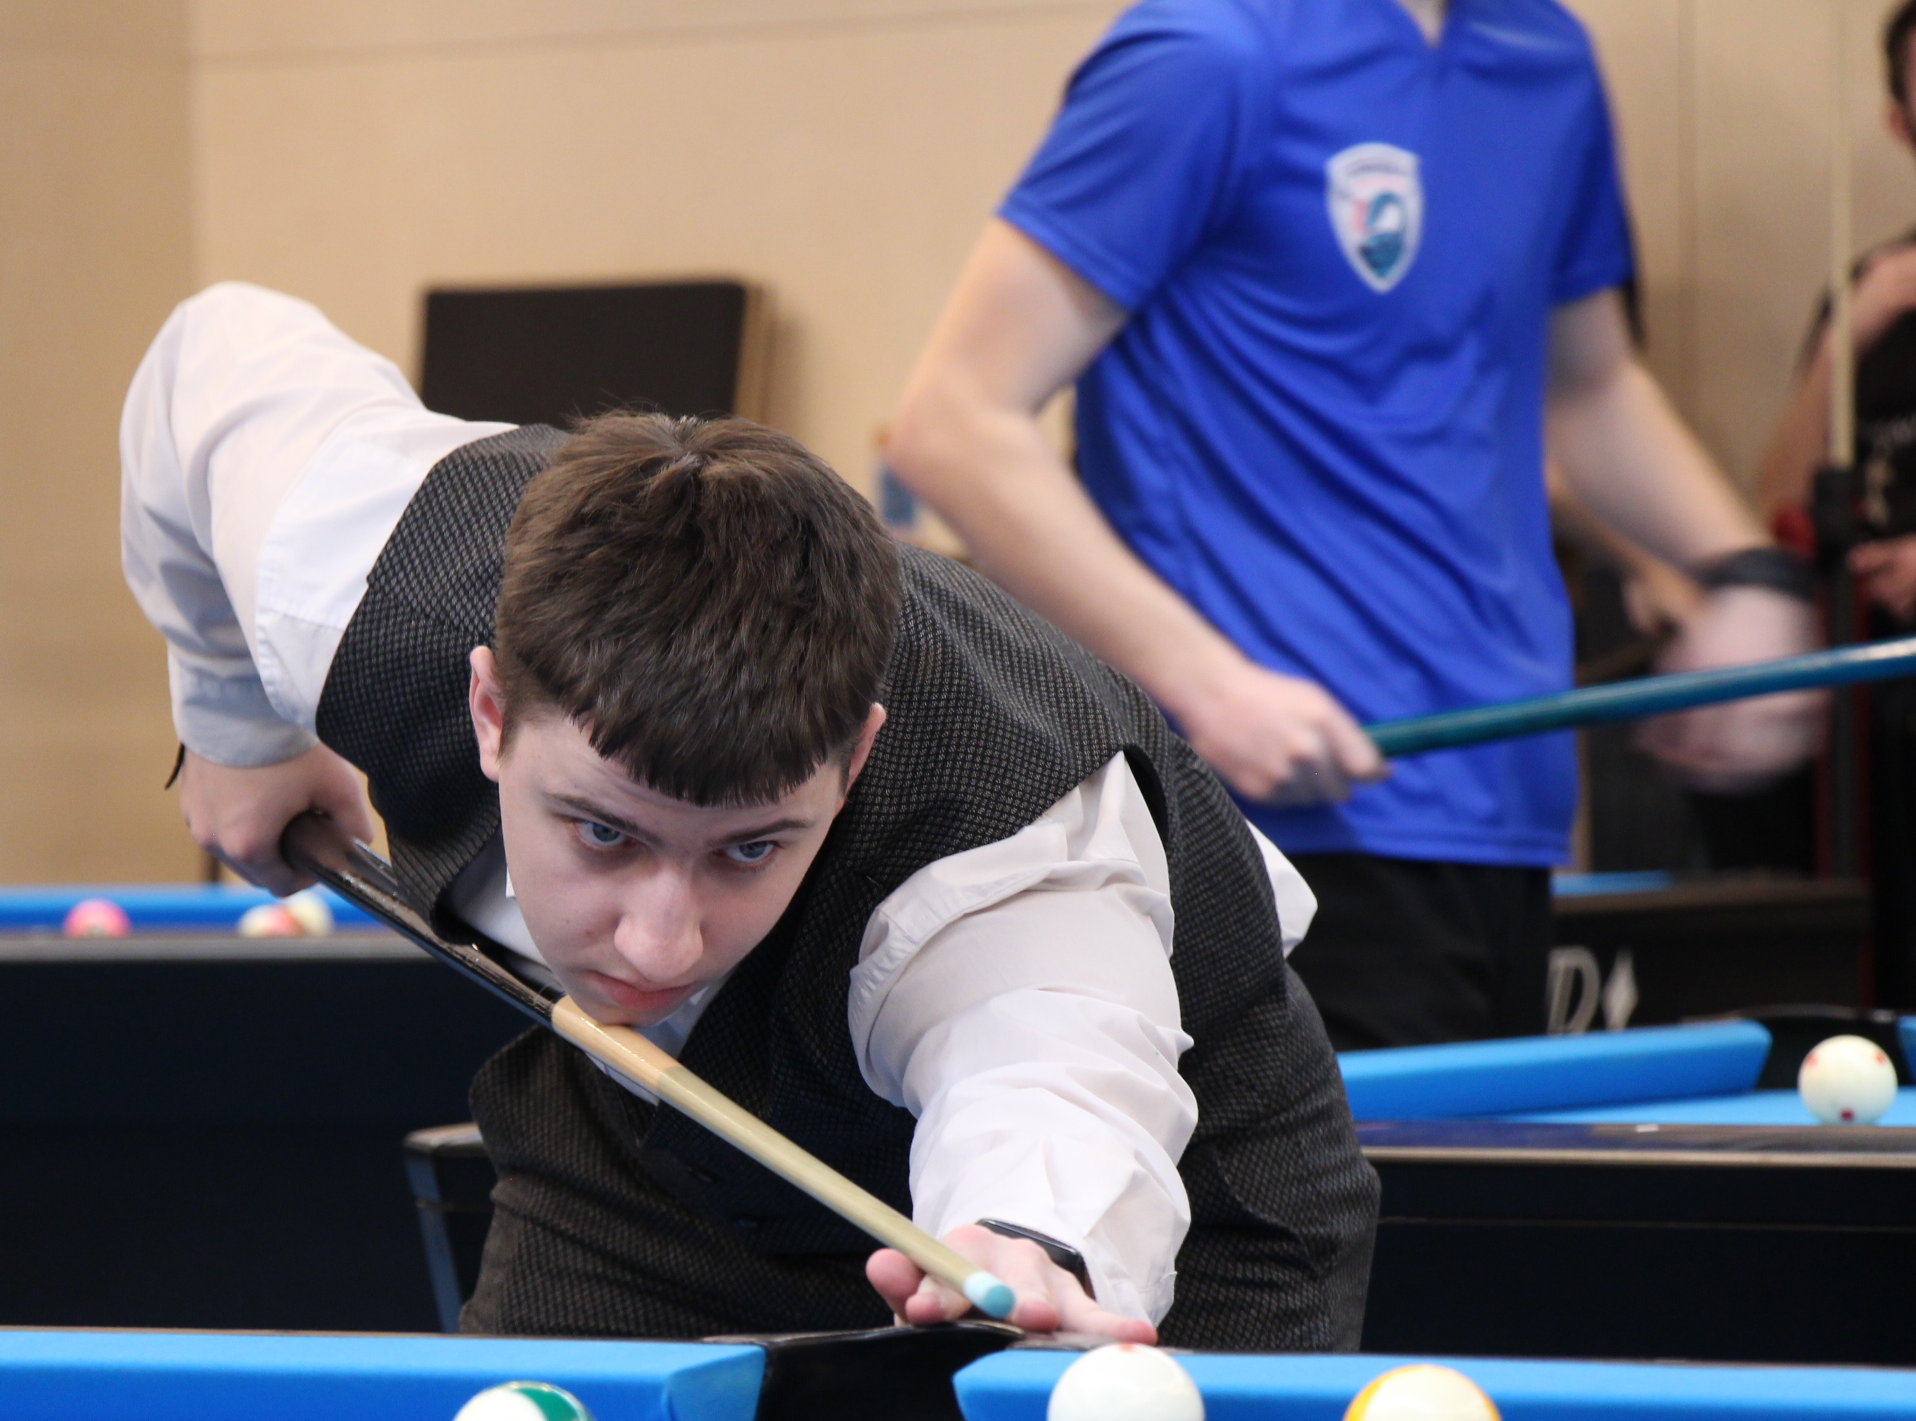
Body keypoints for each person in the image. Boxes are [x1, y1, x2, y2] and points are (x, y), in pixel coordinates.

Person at [119, 284, 1378, 1349]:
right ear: (491, 709)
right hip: (653, 1152)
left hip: (1189, 1225)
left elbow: (1055, 1076)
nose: (659, 941)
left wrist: (1030, 1246)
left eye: (749, 849)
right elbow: (209, 357)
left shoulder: (1001, 871)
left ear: (855, 757)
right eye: (603, 832)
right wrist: (238, 725)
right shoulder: (364, 580)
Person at [886, 0, 1821, 1052]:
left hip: (1503, 803)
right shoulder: (1209, 52)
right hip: (1278, 822)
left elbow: (1588, 384)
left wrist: (1749, 574)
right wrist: (1211, 686)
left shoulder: (1544, 54)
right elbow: (954, 425)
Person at [1756, 0, 1916, 1012]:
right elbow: (1777, 501)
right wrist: (1849, 338)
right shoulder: (1874, 288)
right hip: (1878, 651)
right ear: (1900, 118)